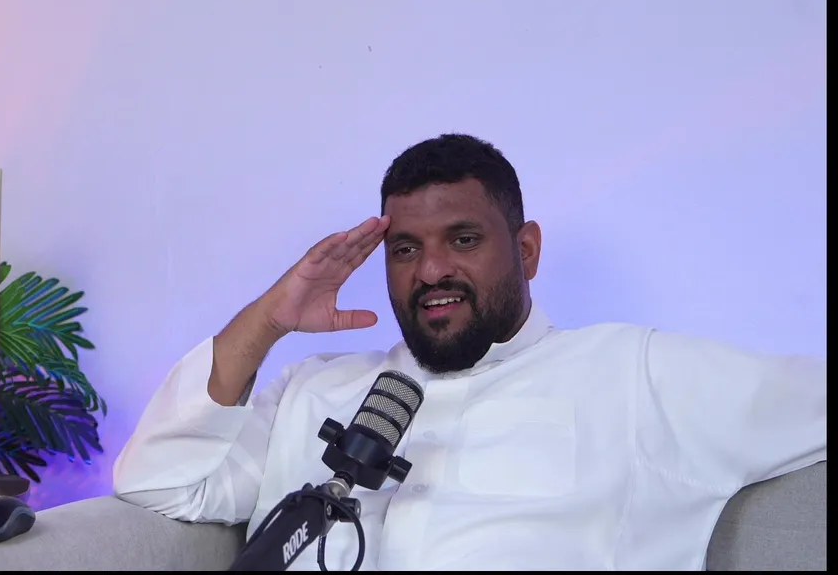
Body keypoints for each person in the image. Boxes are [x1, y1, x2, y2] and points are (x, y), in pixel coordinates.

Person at [112, 133, 827, 571]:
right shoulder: (315, 390)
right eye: (404, 249)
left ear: (526, 250)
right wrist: (269, 320)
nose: (431, 271)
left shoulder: (633, 374)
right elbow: (160, 484)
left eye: (463, 240)